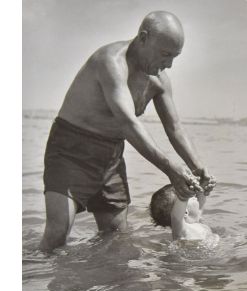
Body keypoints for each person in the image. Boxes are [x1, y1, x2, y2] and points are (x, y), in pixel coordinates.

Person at [39, 11, 215, 251]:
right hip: (71, 150)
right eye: (165, 54)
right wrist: (169, 169)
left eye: (175, 57)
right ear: (144, 37)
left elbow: (174, 127)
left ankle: (103, 284)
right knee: (57, 234)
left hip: (110, 155)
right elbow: (128, 123)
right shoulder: (110, 62)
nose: (169, 64)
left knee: (116, 237)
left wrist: (197, 167)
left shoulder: (159, 80)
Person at [150, 182, 215, 241]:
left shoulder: (196, 219)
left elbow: (201, 200)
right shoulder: (184, 232)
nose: (195, 196)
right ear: (184, 212)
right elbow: (176, 216)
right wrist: (183, 190)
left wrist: (203, 184)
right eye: (191, 197)